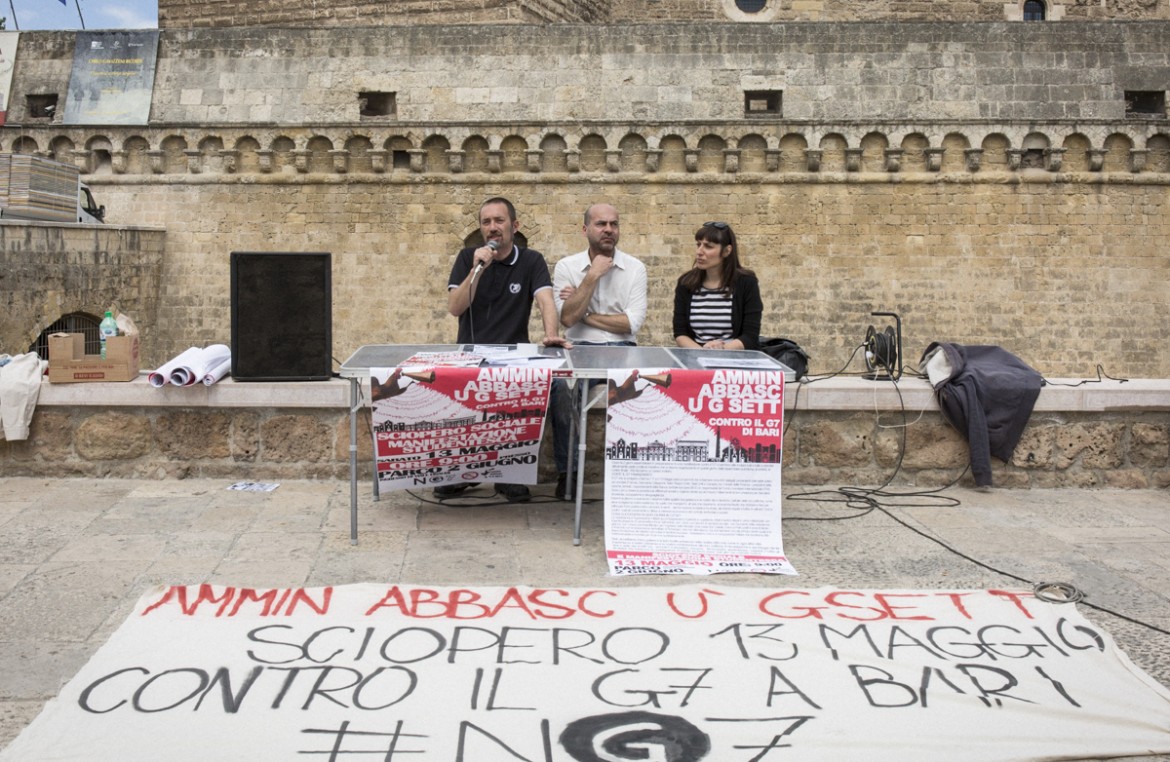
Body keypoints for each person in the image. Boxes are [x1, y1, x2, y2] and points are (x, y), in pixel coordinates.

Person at [441, 197, 570, 503]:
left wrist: (551, 334)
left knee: (561, 389)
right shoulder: (467, 259)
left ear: (515, 226)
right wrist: (478, 269)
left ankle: (564, 473)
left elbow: (545, 300)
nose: (492, 228)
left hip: (516, 354)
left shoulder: (531, 261)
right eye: (486, 222)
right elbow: (455, 307)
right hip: (472, 354)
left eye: (499, 221)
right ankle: (461, 472)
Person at [551, 203, 648, 499]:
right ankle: (570, 472)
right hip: (579, 349)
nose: (608, 229)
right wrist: (591, 275)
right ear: (585, 230)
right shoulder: (567, 267)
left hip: (622, 350)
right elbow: (566, 319)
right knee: (560, 388)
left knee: (642, 390)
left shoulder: (635, 268)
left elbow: (631, 323)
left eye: (614, 224)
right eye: (601, 224)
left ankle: (634, 474)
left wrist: (585, 312)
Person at [673, 221, 762, 351]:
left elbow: (750, 336)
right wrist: (703, 353)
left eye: (708, 246)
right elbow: (680, 333)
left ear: (727, 251)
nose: (699, 251)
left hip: (734, 357)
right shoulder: (686, 283)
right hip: (695, 356)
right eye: (698, 245)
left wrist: (721, 351)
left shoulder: (746, 283)